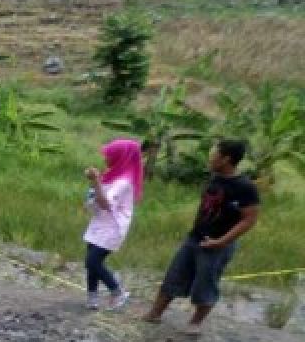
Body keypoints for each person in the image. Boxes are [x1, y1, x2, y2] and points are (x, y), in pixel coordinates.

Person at [143, 139, 261, 331]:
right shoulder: (213, 178)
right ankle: (154, 314)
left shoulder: (245, 187)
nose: (210, 157)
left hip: (218, 244)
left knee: (205, 285)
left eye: (214, 154)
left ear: (226, 159)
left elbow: (249, 220)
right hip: (195, 237)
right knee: (174, 276)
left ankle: (195, 323)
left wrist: (221, 242)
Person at [82, 138, 142, 311]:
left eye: (109, 155)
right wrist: (95, 185)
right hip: (99, 224)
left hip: (112, 228)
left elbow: (106, 203)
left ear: (119, 157)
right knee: (91, 262)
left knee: (92, 262)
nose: (106, 158)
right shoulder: (113, 175)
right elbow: (97, 197)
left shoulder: (123, 182)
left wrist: (95, 181)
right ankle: (92, 297)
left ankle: (117, 291)